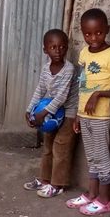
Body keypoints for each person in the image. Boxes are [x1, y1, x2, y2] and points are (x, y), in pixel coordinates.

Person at [65, 9, 110, 215]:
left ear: (106, 30)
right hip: (85, 115)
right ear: (83, 33)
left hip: (100, 117)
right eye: (88, 34)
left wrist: (99, 94)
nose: (93, 38)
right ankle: (92, 194)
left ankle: (105, 200)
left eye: (98, 33)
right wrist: (78, 114)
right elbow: (82, 84)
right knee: (91, 156)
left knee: (101, 156)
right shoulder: (84, 53)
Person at [23, 28, 78, 198]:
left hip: (68, 111)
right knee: (48, 146)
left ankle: (57, 184)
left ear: (66, 48)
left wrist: (42, 114)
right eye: (53, 47)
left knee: (61, 146)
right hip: (53, 111)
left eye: (62, 47)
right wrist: (30, 110)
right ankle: (44, 180)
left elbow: (62, 96)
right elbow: (40, 89)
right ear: (45, 50)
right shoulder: (46, 68)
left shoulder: (68, 69)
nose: (58, 51)